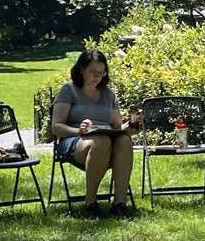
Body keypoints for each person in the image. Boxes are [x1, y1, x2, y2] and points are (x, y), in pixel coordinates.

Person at [49, 50, 141, 219]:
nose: (97, 77)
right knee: (101, 142)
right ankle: (91, 201)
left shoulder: (108, 94)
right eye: (93, 72)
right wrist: (79, 130)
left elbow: (117, 126)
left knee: (124, 141)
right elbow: (56, 127)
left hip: (106, 139)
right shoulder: (69, 90)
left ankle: (119, 203)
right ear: (82, 69)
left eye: (101, 72)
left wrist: (132, 124)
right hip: (75, 140)